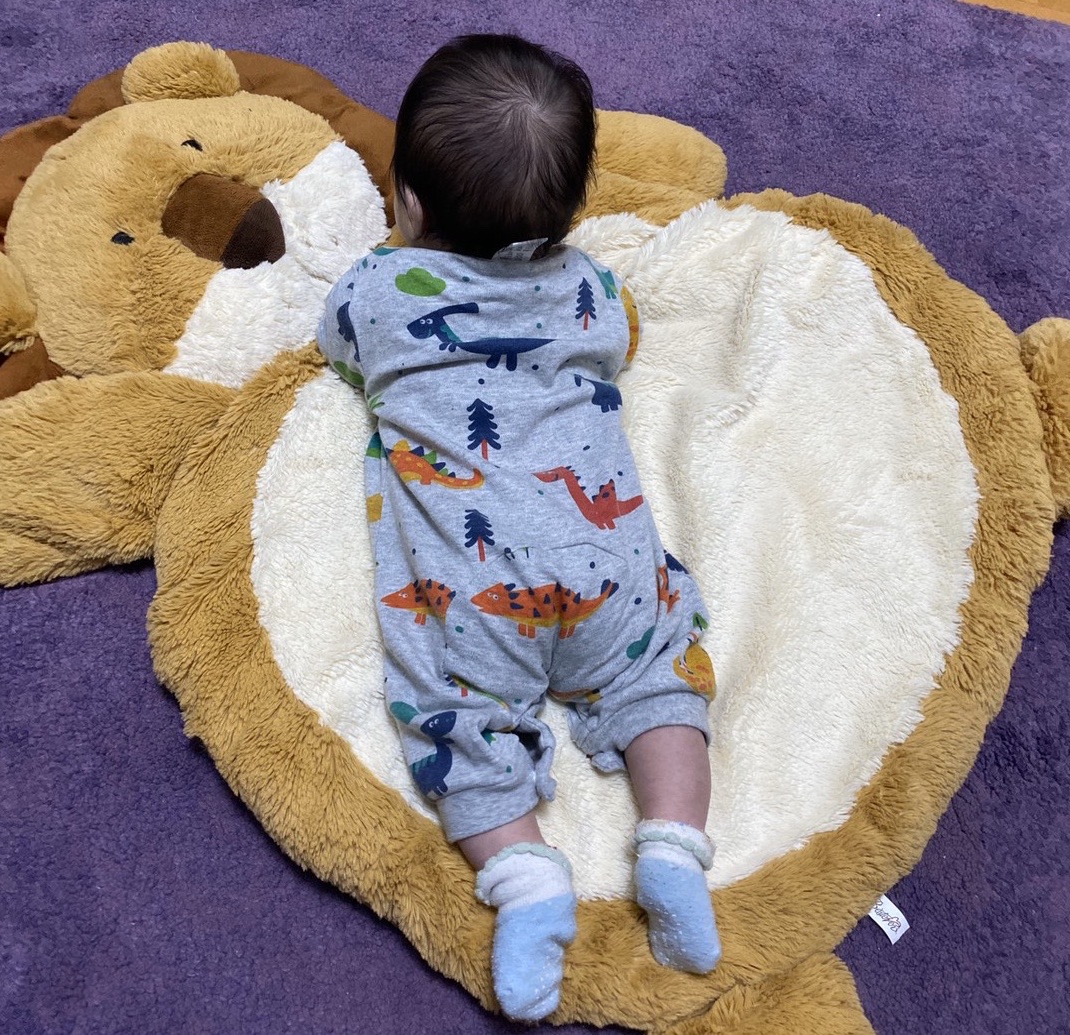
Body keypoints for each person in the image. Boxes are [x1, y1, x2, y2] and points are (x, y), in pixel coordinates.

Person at [317, 33, 721, 1022]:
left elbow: (334, 346)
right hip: (610, 575)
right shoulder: (591, 289)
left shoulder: (377, 292)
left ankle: (525, 874)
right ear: (574, 210)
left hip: (477, 599)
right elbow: (619, 340)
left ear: (405, 202)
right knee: (655, 678)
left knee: (455, 721)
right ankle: (672, 839)